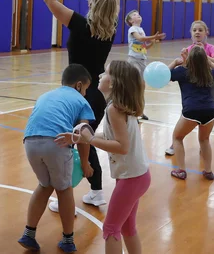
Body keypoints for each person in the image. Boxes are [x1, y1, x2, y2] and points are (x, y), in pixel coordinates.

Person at [44, 0, 119, 212]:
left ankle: (66, 197)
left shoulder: (79, 24)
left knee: (68, 143)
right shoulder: (111, 29)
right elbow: (113, 3)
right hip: (96, 94)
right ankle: (97, 192)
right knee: (85, 141)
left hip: (76, 93)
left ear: (93, 6)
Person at [56, 60, 150, 254]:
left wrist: (89, 139)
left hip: (131, 178)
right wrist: (77, 137)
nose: (100, 76)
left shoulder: (114, 109)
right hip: (138, 176)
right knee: (127, 227)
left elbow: (122, 147)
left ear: (114, 82)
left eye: (105, 73)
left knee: (111, 228)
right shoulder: (121, 107)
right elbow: (111, 138)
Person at [18, 64, 95, 253]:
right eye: (85, 89)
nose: (85, 94)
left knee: (44, 185)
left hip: (30, 142)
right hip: (56, 143)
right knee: (64, 189)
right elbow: (83, 135)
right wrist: (85, 164)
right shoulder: (81, 101)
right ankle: (68, 239)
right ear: (78, 85)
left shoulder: (46, 95)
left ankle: (29, 234)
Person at [167, 46, 214, 180]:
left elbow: (165, 75)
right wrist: (211, 64)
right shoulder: (210, 73)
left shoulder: (182, 71)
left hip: (191, 111)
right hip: (210, 111)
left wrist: (176, 63)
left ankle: (181, 170)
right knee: (204, 140)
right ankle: (208, 171)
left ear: (189, 60)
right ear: (204, 61)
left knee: (177, 137)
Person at [164, 20, 214, 156]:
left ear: (206, 32)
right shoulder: (189, 49)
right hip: (191, 88)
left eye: (200, 30)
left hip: (208, 86)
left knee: (206, 112)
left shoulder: (211, 48)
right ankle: (175, 143)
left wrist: (204, 56)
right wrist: (184, 59)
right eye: (194, 30)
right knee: (186, 111)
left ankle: (204, 142)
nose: (197, 32)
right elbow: (185, 68)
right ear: (191, 33)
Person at [125, 9, 165, 121]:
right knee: (136, 85)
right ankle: (132, 111)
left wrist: (153, 41)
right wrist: (153, 37)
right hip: (133, 60)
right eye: (134, 15)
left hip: (143, 61)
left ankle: (140, 111)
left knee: (142, 87)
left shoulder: (141, 29)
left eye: (138, 14)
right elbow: (141, 39)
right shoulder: (132, 29)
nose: (138, 15)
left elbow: (144, 46)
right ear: (131, 20)